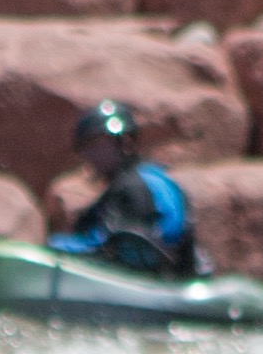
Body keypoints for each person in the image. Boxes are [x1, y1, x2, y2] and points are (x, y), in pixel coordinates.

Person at [47, 100, 197, 279]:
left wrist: (54, 248)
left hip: (157, 282)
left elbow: (112, 243)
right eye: (85, 148)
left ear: (125, 143)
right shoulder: (143, 178)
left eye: (96, 146)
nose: (88, 156)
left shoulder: (135, 186)